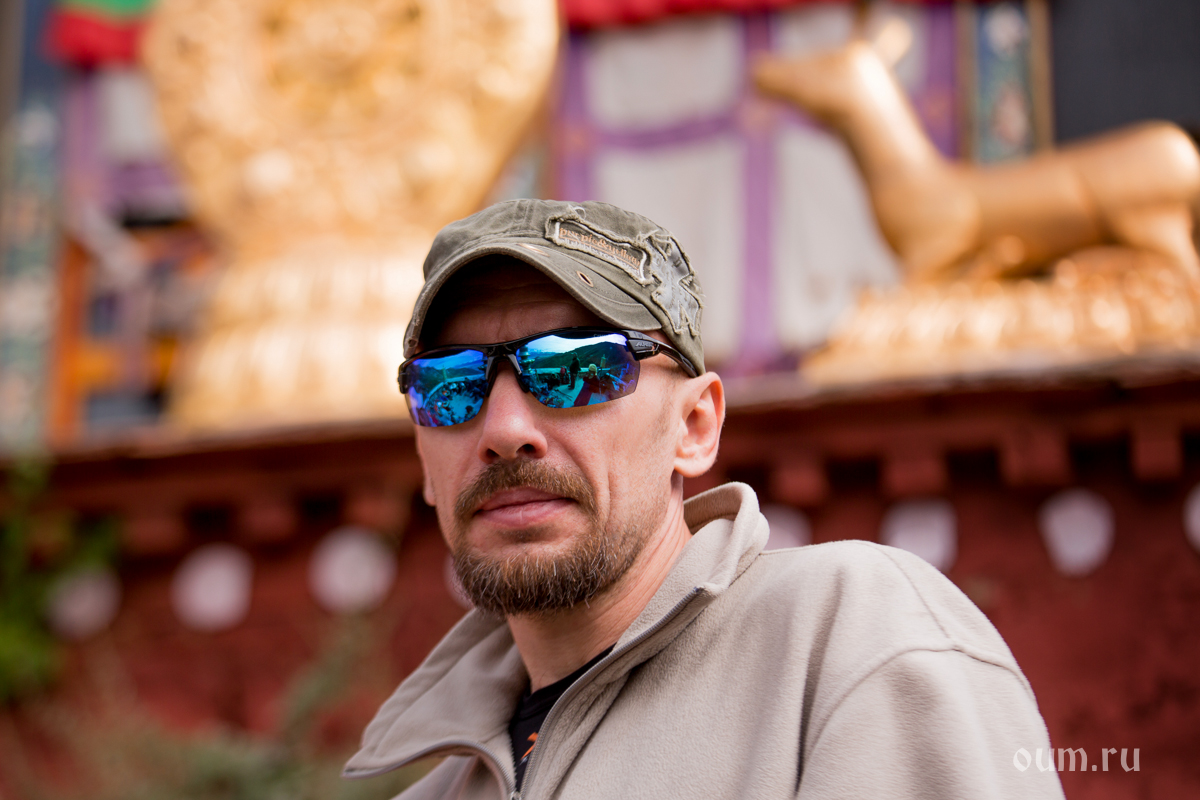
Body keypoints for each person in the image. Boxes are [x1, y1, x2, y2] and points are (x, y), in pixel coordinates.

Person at [345, 200, 1064, 799]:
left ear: (694, 427)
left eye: (577, 368)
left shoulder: (851, 641)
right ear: (425, 463)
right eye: (451, 386)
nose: (503, 431)